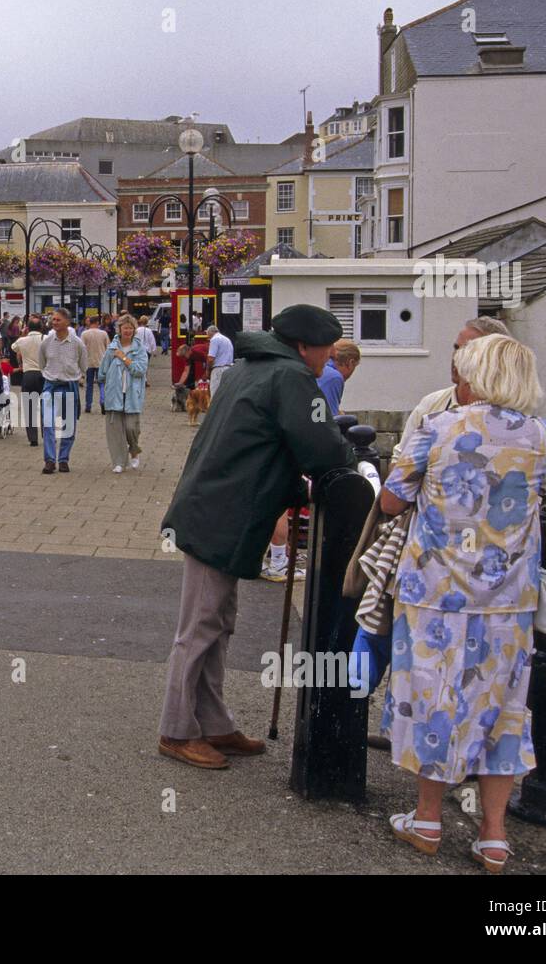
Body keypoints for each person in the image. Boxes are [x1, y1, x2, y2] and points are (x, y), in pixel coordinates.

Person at [379, 333, 546, 873]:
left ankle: (428, 820)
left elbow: (392, 499)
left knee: (435, 699)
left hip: (434, 594)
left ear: (475, 377)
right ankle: (494, 837)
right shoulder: (543, 437)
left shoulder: (436, 430)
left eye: (461, 373)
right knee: (505, 708)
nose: (455, 382)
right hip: (508, 600)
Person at [158, 304, 356, 769]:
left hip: (216, 508)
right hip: (221, 514)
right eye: (325, 349)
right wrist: (346, 456)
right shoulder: (290, 378)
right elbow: (322, 446)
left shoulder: (251, 368)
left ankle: (214, 723)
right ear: (304, 346)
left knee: (217, 623)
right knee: (200, 627)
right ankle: (176, 730)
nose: (328, 358)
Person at [394, 317, 511, 459]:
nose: (456, 358)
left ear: (495, 359)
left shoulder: (512, 415)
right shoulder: (432, 405)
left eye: (467, 351)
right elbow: (399, 462)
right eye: (456, 348)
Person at [37, 307, 88, 474]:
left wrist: (78, 377)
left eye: (58, 319)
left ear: (67, 321)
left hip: (69, 386)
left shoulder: (77, 343)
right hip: (50, 385)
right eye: (53, 319)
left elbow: (83, 365)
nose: (54, 322)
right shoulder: (46, 342)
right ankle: (50, 460)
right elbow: (42, 363)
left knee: (69, 426)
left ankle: (64, 459)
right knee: (48, 424)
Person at [100, 315, 149, 473]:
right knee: (115, 430)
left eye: (130, 328)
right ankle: (119, 461)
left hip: (132, 394)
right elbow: (102, 371)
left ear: (134, 330)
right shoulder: (111, 348)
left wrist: (124, 358)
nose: (128, 331)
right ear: (119, 329)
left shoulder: (139, 348)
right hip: (114, 393)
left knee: (131, 427)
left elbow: (140, 370)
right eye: (125, 327)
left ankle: (134, 450)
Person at [12, 316, 46, 447]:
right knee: (45, 406)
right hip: (43, 374)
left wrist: (22, 334)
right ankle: (47, 433)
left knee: (29, 407)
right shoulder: (46, 338)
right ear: (41, 327)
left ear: (28, 328)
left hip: (27, 375)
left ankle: (33, 438)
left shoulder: (22, 340)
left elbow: (13, 347)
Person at [316, 339, 361, 418]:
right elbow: (327, 420)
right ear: (351, 363)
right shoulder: (333, 378)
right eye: (354, 367)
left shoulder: (318, 367)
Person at [80, 315, 110, 414]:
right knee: (102, 383)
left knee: (89, 385)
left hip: (89, 362)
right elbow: (108, 347)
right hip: (101, 362)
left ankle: (88, 406)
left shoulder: (84, 334)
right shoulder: (104, 333)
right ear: (97, 323)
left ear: (90, 322)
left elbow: (81, 349)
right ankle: (103, 400)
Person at [205, 324, 234, 397]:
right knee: (226, 395)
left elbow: (211, 358)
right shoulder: (227, 339)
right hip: (229, 369)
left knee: (215, 395)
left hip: (218, 369)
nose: (208, 338)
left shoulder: (214, 339)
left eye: (208, 336)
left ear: (210, 333)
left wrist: (208, 370)